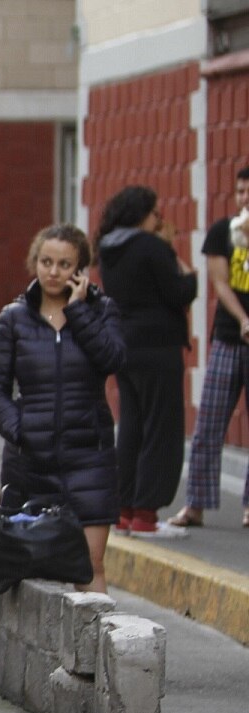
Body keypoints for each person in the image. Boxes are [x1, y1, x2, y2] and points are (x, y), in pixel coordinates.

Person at [0, 225, 127, 593]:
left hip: (89, 458)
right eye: (46, 261)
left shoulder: (101, 311)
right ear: (35, 262)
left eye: (65, 264)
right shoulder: (13, 318)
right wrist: (21, 429)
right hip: (30, 460)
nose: (53, 271)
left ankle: (93, 650)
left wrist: (78, 312)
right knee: (21, 566)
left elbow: (113, 358)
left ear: (81, 269)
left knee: (90, 564)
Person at [96, 185, 198, 539]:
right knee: (161, 427)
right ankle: (146, 515)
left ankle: (124, 509)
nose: (160, 220)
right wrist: (174, 253)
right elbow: (181, 291)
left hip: (125, 345)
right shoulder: (152, 247)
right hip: (158, 346)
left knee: (131, 426)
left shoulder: (108, 249)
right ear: (142, 214)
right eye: (156, 214)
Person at [170, 166, 249, 531]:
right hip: (229, 338)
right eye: (239, 192)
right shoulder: (223, 233)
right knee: (209, 423)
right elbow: (220, 282)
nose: (243, 199)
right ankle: (196, 505)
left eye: (248, 192)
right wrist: (244, 320)